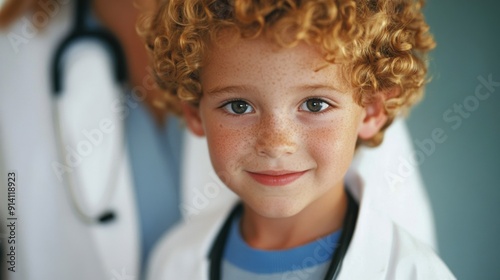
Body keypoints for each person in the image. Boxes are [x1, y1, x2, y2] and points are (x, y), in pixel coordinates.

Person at [142, 0, 456, 279]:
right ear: (196, 114)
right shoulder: (173, 261)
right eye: (239, 106)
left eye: (315, 104)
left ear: (372, 111)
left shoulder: (412, 271)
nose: (276, 143)